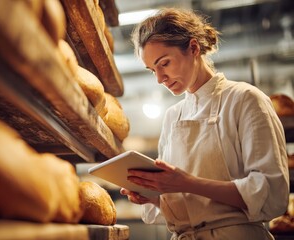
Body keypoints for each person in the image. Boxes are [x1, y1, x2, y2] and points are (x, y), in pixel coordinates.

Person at [120, 7, 289, 240]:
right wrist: (154, 196)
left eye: (164, 63)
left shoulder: (245, 99)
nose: (159, 79)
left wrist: (188, 183)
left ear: (193, 48)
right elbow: (190, 206)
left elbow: (270, 193)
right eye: (152, 70)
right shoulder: (173, 116)